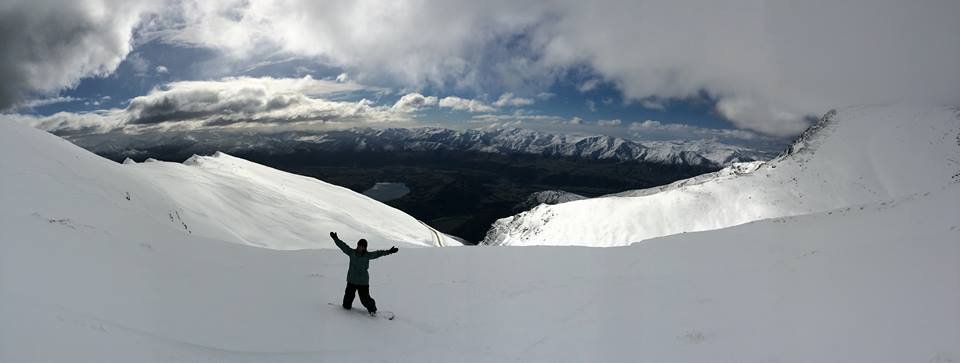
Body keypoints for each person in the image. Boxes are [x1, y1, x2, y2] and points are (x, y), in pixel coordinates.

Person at [330, 231, 398, 316]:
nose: (360, 248)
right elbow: (343, 246)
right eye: (359, 246)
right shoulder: (351, 253)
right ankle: (346, 313)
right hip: (351, 280)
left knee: (365, 299)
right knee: (347, 301)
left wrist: (389, 251)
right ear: (357, 245)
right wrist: (335, 238)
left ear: (365, 248)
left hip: (363, 282)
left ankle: (372, 310)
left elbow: (378, 253)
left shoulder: (368, 255)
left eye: (363, 246)